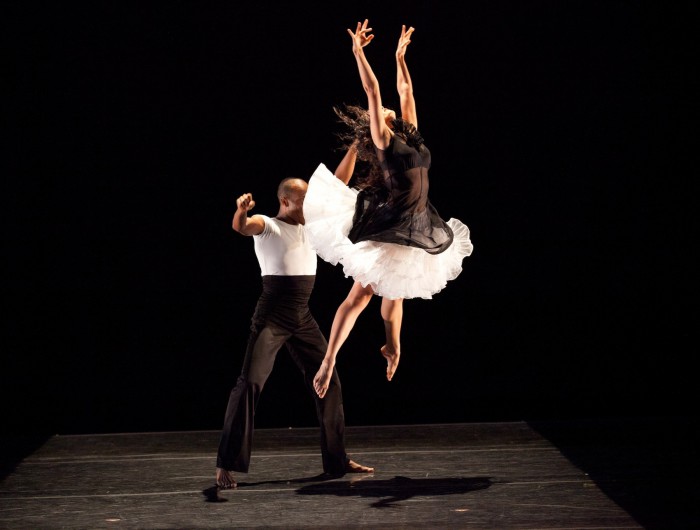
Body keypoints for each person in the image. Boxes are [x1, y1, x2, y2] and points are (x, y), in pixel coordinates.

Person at [303, 20, 474, 399]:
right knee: (362, 295)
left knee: (396, 291)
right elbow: (374, 90)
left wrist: (400, 55)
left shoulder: (412, 136)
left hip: (418, 221)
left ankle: (392, 346)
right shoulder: (385, 142)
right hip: (393, 220)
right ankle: (329, 360)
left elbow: (405, 88)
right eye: (384, 113)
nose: (391, 111)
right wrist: (358, 53)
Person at [215, 176, 374, 489]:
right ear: (284, 201)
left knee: (330, 383)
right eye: (302, 202)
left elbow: (339, 179)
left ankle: (337, 459)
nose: (309, 208)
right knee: (249, 385)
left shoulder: (309, 225)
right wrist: (241, 212)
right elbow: (242, 227)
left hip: (301, 316)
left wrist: (356, 147)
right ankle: (226, 464)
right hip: (272, 316)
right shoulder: (268, 225)